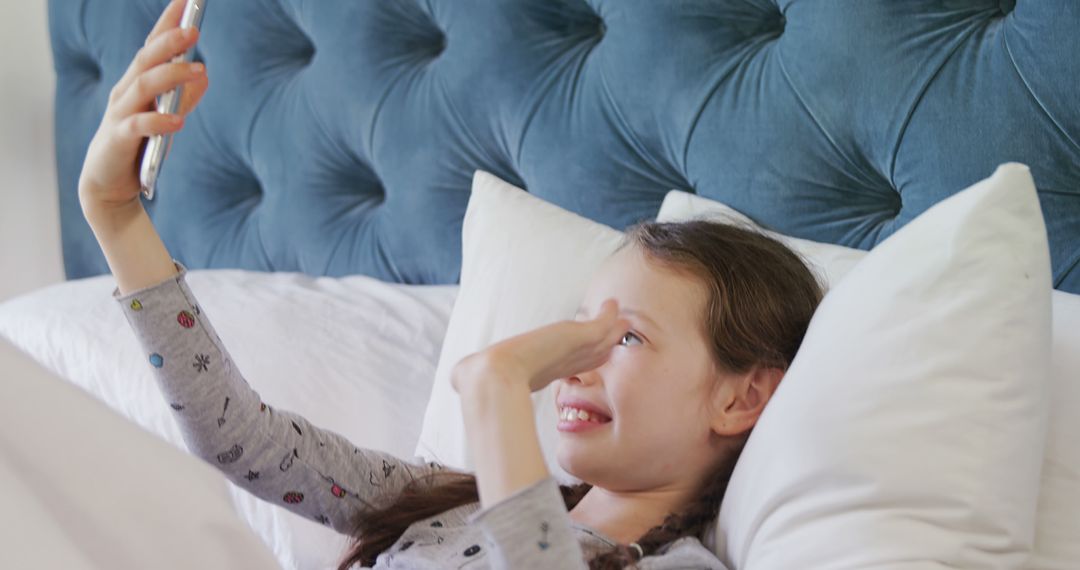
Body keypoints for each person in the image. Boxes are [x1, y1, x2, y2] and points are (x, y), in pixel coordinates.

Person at [80, 2, 824, 568]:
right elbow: (242, 440)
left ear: (741, 396)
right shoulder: (446, 501)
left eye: (622, 336)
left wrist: (499, 384)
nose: (570, 364)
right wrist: (116, 219)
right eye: (575, 329)